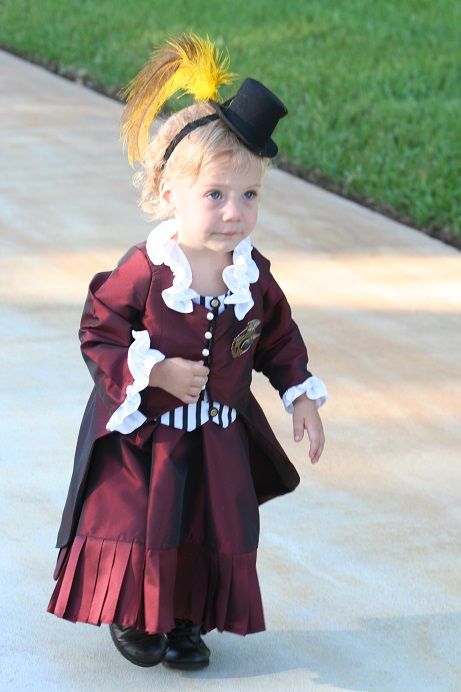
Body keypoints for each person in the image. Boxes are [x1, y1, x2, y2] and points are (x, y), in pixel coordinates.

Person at [47, 34, 328, 670]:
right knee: (145, 524)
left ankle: (186, 621)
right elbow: (99, 330)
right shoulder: (147, 270)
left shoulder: (251, 276)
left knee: (208, 524)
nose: (234, 213)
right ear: (168, 191)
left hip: (217, 437)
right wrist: (155, 371)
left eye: (249, 196)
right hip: (148, 435)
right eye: (216, 195)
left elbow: (278, 337)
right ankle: (133, 615)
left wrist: (300, 394)